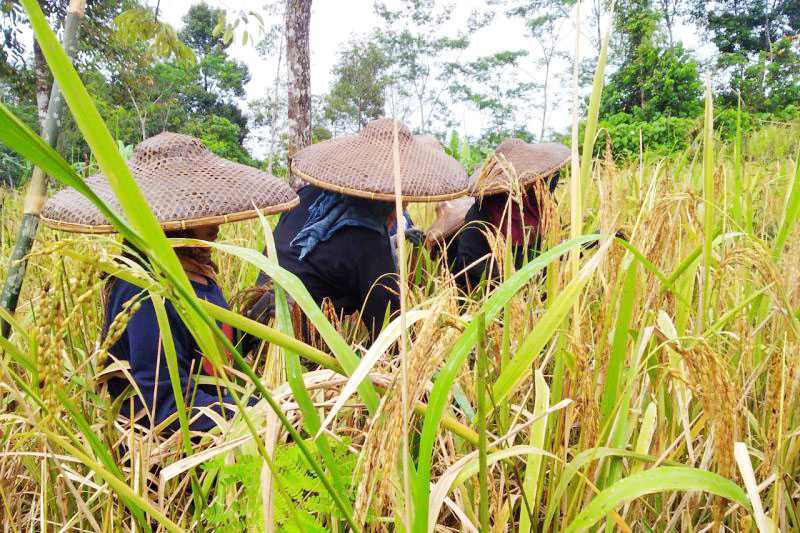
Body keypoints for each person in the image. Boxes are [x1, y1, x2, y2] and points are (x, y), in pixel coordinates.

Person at [41, 132, 298, 431]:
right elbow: (165, 405)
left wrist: (251, 327)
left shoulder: (195, 269)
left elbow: (203, 357)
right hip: (173, 454)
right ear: (172, 224)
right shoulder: (148, 293)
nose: (215, 222)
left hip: (217, 423)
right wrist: (264, 411)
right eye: (199, 212)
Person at [252, 118, 468, 340]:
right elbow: (389, 332)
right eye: (402, 206)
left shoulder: (308, 196)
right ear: (387, 201)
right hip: (291, 338)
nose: (401, 213)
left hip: (253, 317)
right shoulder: (367, 239)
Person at [448, 138, 570, 291]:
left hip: (537, 289)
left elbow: (554, 246)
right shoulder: (482, 212)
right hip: (492, 292)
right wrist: (518, 277)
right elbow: (471, 261)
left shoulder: (544, 206)